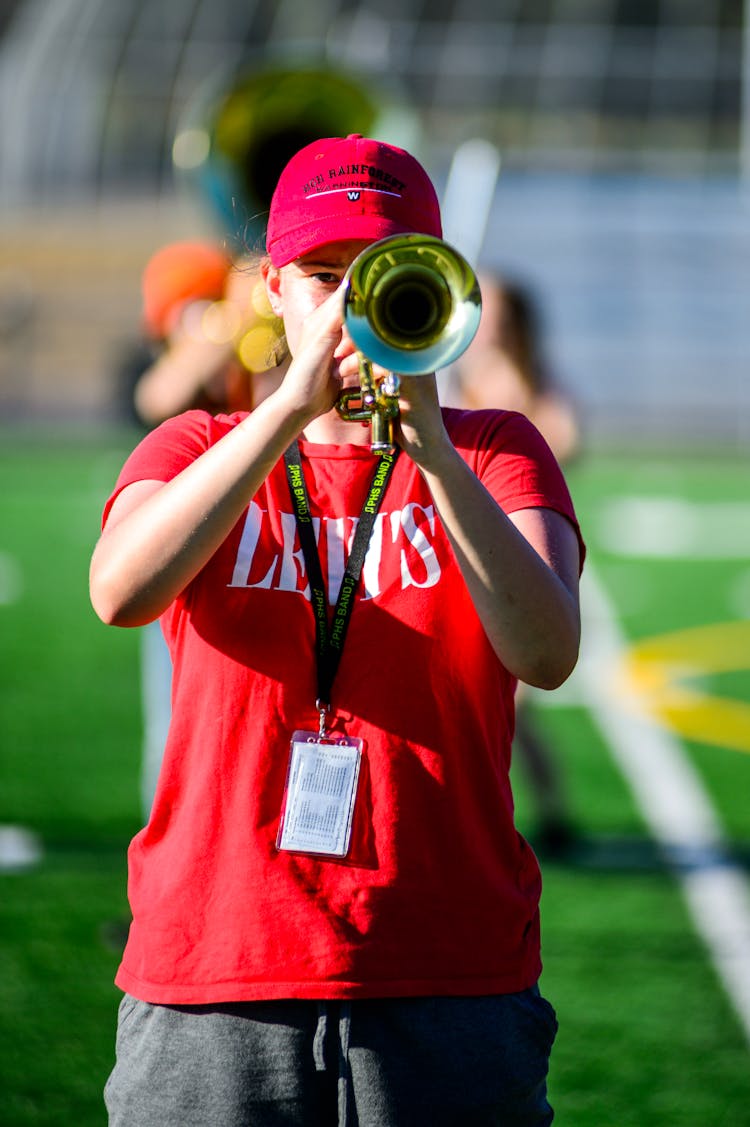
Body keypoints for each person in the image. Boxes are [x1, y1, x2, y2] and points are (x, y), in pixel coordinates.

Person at [90, 133, 585, 1127]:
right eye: (324, 277)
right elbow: (122, 591)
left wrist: (432, 446)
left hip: (449, 969)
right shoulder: (197, 445)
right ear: (273, 288)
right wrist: (285, 413)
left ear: (440, 287)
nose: (353, 303)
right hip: (214, 967)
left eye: (382, 275)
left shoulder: (496, 453)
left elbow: (546, 650)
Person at [451, 274, 582, 854]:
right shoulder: (456, 373)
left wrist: (517, 417)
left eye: (501, 315)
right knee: (493, 702)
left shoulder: (532, 379)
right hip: (466, 558)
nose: (491, 326)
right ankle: (543, 809)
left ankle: (539, 811)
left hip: (531, 554)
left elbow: (569, 440)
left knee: (516, 697)